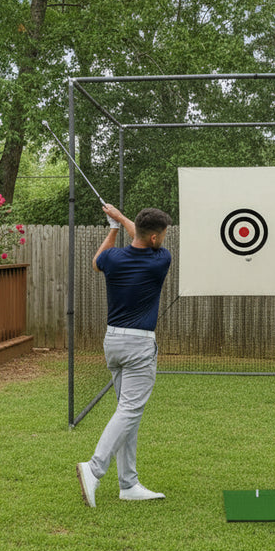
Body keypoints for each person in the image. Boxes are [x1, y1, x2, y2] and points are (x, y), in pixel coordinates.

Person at [76, 203, 173, 507]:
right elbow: (142, 234)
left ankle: (128, 483)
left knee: (127, 413)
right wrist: (119, 218)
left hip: (112, 342)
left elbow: (96, 261)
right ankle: (93, 468)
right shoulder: (160, 260)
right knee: (130, 410)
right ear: (155, 239)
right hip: (138, 346)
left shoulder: (113, 258)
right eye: (164, 234)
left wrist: (114, 225)